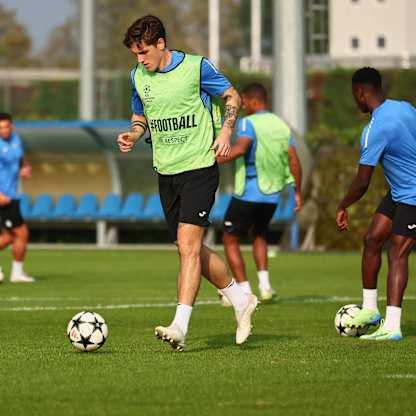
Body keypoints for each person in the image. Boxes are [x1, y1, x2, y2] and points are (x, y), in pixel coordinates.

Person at [117, 15, 257, 350]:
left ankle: (180, 325)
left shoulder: (196, 68)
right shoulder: (138, 77)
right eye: (136, 54)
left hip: (199, 167)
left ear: (161, 43)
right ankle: (241, 299)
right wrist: (134, 135)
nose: (140, 59)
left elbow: (233, 97)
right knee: (188, 248)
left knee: (189, 248)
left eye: (144, 52)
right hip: (165, 171)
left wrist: (226, 130)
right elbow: (140, 116)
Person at [336, 67, 416, 341]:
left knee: (397, 253)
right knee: (372, 239)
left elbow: (362, 183)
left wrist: (342, 205)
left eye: (353, 95)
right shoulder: (404, 107)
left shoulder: (374, 129)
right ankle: (370, 310)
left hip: (412, 195)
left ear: (360, 93)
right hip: (399, 192)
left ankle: (392, 325)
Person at [217, 83, 302, 304]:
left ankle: (244, 291)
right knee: (260, 234)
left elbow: (243, 147)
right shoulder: (282, 125)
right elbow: (294, 160)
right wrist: (297, 191)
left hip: (248, 192)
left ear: (254, 101)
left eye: (244, 101)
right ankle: (265, 287)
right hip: (272, 196)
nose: (243, 106)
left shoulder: (247, 122)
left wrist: (215, 158)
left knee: (230, 238)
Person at [0, 112, 34, 283]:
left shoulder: (16, 139)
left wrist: (25, 168)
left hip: (12, 195)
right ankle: (17, 273)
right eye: (0, 128)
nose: (3, 130)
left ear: (11, 126)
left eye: (6, 126)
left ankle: (17, 273)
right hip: (2, 196)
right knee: (21, 233)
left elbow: (21, 158)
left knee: (11, 236)